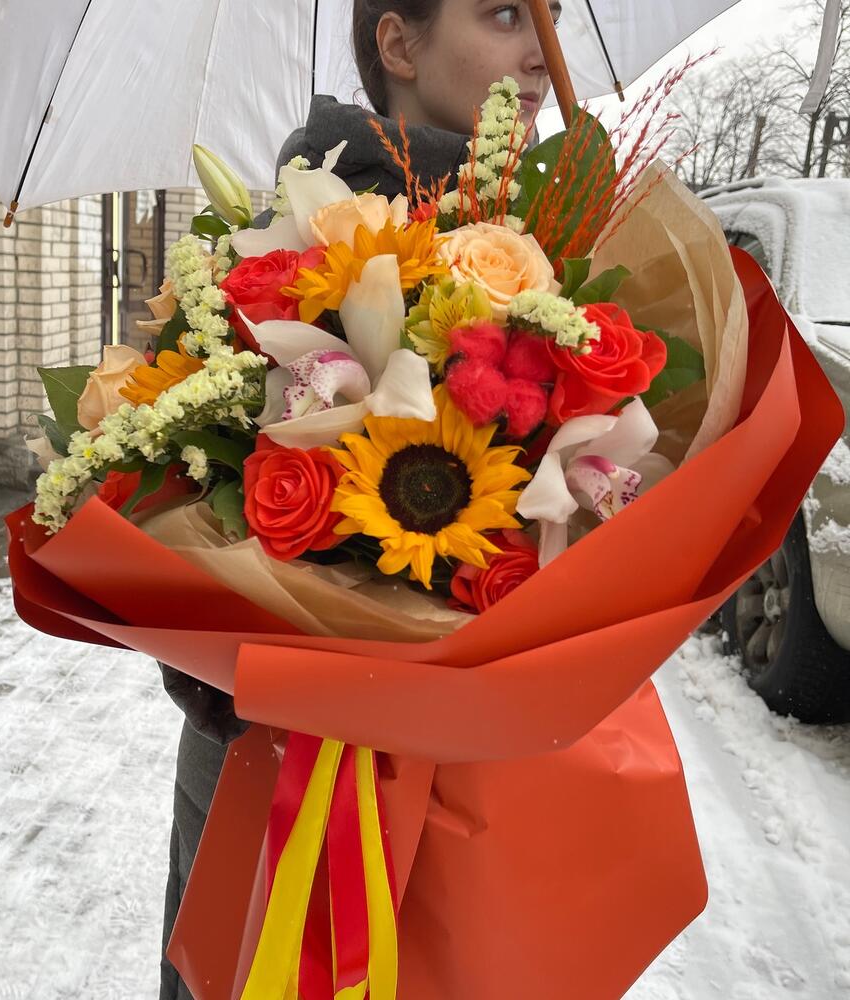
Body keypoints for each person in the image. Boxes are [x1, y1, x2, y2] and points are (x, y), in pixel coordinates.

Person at [159, 3, 556, 997]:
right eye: (505, 13)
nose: (541, 54)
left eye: (550, 16)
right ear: (398, 43)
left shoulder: (551, 246)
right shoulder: (277, 249)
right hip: (277, 770)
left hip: (477, 778)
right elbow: (188, 484)